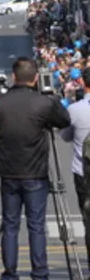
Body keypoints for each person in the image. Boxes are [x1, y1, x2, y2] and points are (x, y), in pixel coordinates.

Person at [0, 57, 71, 280]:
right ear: (35, 78)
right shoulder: (43, 102)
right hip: (34, 170)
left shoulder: (0, 102)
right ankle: (40, 279)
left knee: (10, 225)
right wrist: (52, 98)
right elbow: (63, 120)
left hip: (8, 170)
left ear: (14, 76)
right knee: (36, 226)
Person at [61, 67, 90, 262]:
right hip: (83, 171)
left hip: (84, 173)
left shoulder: (74, 109)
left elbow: (65, 136)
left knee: (88, 221)